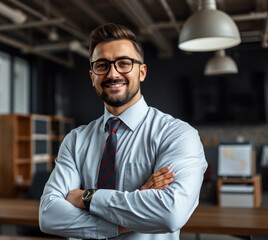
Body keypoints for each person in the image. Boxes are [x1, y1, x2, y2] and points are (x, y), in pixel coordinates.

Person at [39, 23, 208, 240]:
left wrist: (87, 198)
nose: (112, 73)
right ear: (92, 77)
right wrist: (127, 217)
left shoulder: (177, 134)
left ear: (142, 72)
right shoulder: (75, 140)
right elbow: (49, 215)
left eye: (124, 63)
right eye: (102, 65)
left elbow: (170, 214)